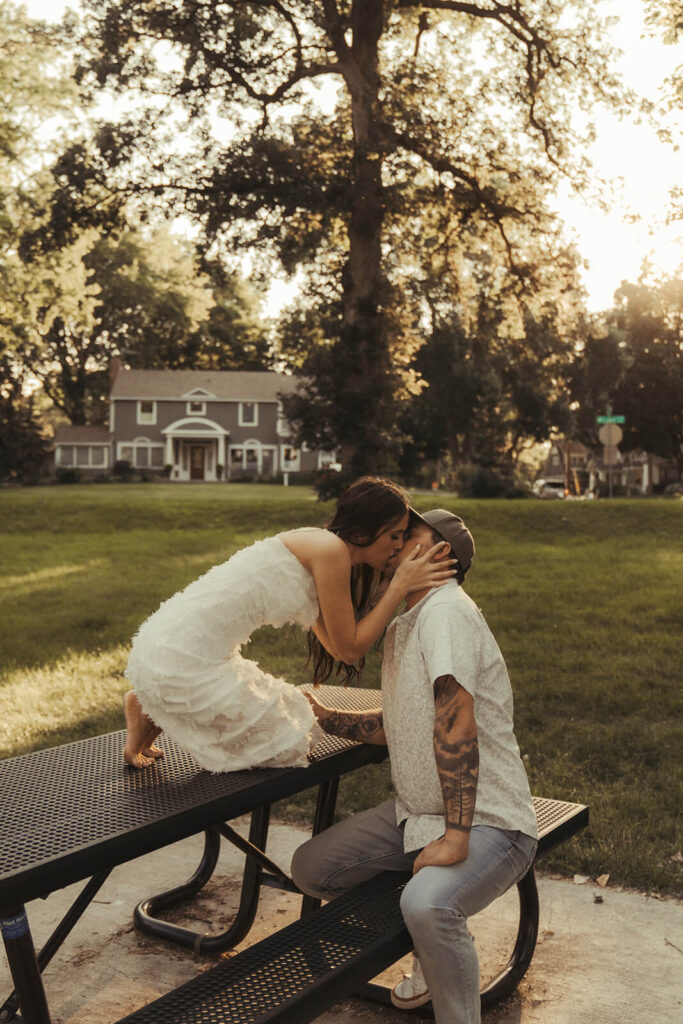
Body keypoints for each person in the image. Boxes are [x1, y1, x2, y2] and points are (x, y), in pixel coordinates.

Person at [293, 507, 538, 1024]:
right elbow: (401, 721)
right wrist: (327, 718)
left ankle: (448, 983)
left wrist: (455, 835)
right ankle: (437, 948)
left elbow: (455, 722)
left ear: (439, 553)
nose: (393, 544)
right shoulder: (409, 621)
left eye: (408, 537)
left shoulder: (447, 611)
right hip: (417, 816)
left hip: (488, 819)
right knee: (313, 868)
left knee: (429, 906)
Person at [122, 477, 455, 771]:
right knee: (292, 737)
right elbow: (352, 650)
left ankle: (148, 702)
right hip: (182, 665)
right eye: (395, 536)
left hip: (164, 648)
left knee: (295, 718)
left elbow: (340, 649)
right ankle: (153, 702)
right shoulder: (330, 551)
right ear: (368, 528)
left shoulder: (321, 545)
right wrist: (399, 586)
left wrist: (391, 583)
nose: (398, 547)